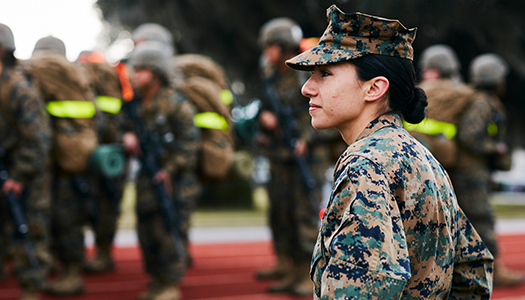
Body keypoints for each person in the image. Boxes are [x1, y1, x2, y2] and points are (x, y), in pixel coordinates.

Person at [286, 5, 494, 299]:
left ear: (374, 89)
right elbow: (472, 271)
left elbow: (359, 289)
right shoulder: (420, 155)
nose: (307, 88)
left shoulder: (366, 163)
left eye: (324, 73)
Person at [255, 17, 330, 296]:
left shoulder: (304, 73)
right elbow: (264, 111)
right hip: (281, 155)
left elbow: (321, 111)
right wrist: (264, 123)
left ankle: (307, 273)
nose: (267, 52)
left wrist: (305, 139)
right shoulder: (271, 77)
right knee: (282, 212)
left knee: (305, 216)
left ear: (284, 47)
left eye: (271, 46)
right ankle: (289, 266)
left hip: (306, 158)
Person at [122, 40, 201, 300]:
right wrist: (127, 137)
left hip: (173, 180)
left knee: (168, 229)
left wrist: (170, 169)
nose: (135, 74)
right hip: (147, 178)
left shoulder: (175, 104)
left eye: (141, 69)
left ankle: (170, 284)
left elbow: (189, 143)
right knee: (146, 231)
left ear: (155, 73)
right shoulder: (135, 104)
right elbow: (118, 126)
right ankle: (157, 279)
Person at [26, 36, 99, 296]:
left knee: (49, 216)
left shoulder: (35, 71)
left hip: (45, 158)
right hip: (74, 156)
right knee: (67, 216)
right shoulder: (78, 76)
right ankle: (69, 269)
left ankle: (67, 272)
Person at [0, 24, 53, 300]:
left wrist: (18, 176)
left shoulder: (19, 89)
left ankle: (32, 288)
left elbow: (38, 140)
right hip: (6, 169)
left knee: (28, 232)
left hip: (27, 175)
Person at [467, 53, 524, 286]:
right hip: (471, 174)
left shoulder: (481, 100)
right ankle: (494, 272)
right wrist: (495, 149)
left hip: (474, 172)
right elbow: (470, 136)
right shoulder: (482, 103)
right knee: (483, 221)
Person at [76, 50, 125, 274]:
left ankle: (102, 254)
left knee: (104, 205)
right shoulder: (118, 78)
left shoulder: (101, 79)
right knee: (105, 205)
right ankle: (102, 253)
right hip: (109, 152)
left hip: (102, 153)